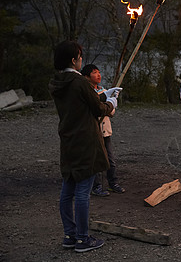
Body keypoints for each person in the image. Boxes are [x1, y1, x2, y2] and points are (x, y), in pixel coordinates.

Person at [49, 40, 121, 252]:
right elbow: (98, 109)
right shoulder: (80, 82)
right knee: (82, 191)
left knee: (67, 189)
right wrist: (111, 103)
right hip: (86, 140)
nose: (82, 59)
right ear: (74, 59)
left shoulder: (58, 82)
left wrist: (102, 95)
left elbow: (81, 101)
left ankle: (69, 235)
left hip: (68, 139)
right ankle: (82, 238)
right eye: (80, 56)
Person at [81, 64, 125, 196]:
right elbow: (96, 110)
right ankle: (97, 186)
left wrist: (111, 101)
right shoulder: (87, 93)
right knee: (96, 159)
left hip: (105, 131)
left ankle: (113, 183)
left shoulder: (104, 90)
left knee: (110, 158)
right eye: (95, 72)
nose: (98, 75)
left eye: (99, 72)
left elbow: (111, 112)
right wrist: (105, 104)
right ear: (87, 76)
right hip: (94, 131)